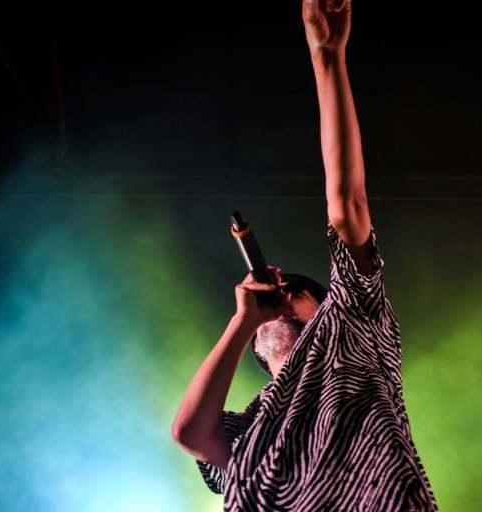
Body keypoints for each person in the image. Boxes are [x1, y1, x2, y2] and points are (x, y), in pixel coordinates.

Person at [172, 1, 438, 510]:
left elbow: (348, 205)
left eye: (295, 292)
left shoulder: (351, 330)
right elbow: (189, 433)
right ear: (255, 347)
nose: (281, 297)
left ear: (328, 307)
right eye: (274, 297)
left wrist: (327, 56)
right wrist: (243, 320)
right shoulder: (248, 424)